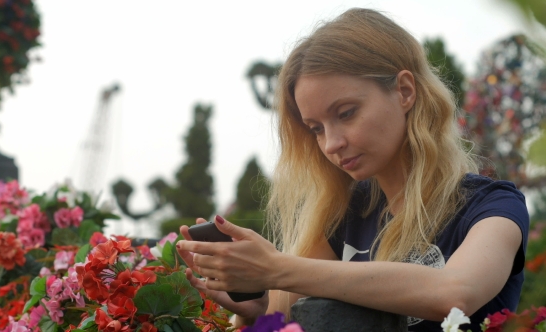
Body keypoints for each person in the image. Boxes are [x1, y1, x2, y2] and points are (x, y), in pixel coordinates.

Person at [176, 8, 529, 332]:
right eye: (316, 128)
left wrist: (278, 268)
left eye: (345, 113)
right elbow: (290, 318)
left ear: (405, 91)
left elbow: (455, 293)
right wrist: (258, 307)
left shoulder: (493, 206)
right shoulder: (342, 213)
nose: (331, 144)